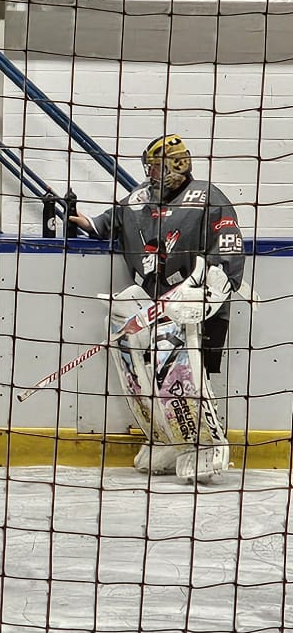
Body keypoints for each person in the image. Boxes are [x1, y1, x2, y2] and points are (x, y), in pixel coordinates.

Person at [66, 135, 245, 482]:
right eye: (149, 166)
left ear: (178, 166)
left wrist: (204, 292)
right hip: (150, 307)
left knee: (187, 374)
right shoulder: (137, 199)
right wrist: (82, 221)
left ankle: (203, 444)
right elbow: (104, 226)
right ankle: (167, 438)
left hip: (194, 308)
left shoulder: (209, 199)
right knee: (144, 376)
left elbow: (228, 253)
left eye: (158, 166)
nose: (151, 172)